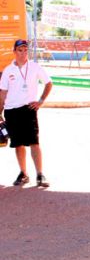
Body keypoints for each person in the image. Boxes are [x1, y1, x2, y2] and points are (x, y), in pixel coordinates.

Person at [0, 39, 53, 187]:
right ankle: (23, 173)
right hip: (11, 111)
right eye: (20, 50)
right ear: (14, 52)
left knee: (34, 143)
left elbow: (48, 83)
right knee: (18, 145)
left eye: (25, 50)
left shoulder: (35, 67)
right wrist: (0, 112)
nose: (23, 53)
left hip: (28, 109)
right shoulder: (8, 71)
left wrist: (41, 100)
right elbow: (3, 94)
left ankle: (40, 174)